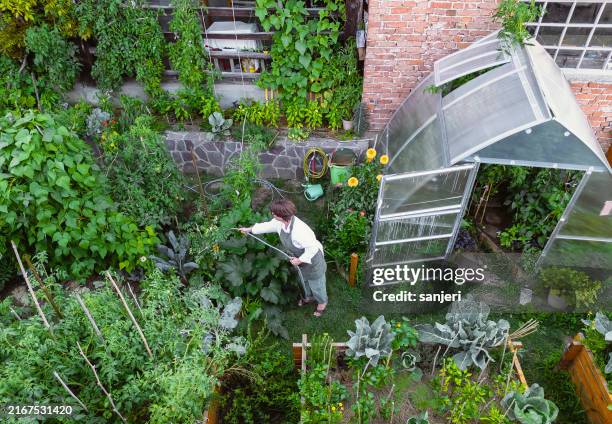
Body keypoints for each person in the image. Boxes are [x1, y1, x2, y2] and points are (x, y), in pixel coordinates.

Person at [239, 199, 328, 317]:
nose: (272, 215)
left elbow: (312, 248)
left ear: (281, 216)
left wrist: (300, 260)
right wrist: (249, 229)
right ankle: (309, 297)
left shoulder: (300, 231)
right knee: (304, 280)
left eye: (274, 213)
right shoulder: (280, 223)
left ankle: (322, 302)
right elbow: (267, 226)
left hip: (312, 261)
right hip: (299, 260)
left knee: (317, 284)